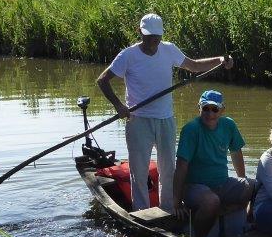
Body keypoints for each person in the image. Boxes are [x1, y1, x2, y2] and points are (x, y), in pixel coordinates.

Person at [96, 12, 233, 210]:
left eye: (157, 36)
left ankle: (168, 209)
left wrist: (220, 59)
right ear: (140, 33)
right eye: (150, 35)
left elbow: (193, 65)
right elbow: (102, 80)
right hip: (138, 119)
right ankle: (141, 211)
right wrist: (118, 105)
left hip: (165, 119)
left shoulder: (169, 50)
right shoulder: (128, 55)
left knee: (168, 169)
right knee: (139, 171)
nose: (154, 40)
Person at [172, 90, 255, 237]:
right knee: (211, 201)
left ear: (222, 110)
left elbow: (236, 153)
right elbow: (181, 167)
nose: (210, 113)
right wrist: (177, 202)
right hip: (194, 187)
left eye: (214, 109)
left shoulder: (229, 125)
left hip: (222, 183)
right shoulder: (190, 130)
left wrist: (242, 185)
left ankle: (247, 223)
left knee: (253, 185)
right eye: (206, 108)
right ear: (199, 108)